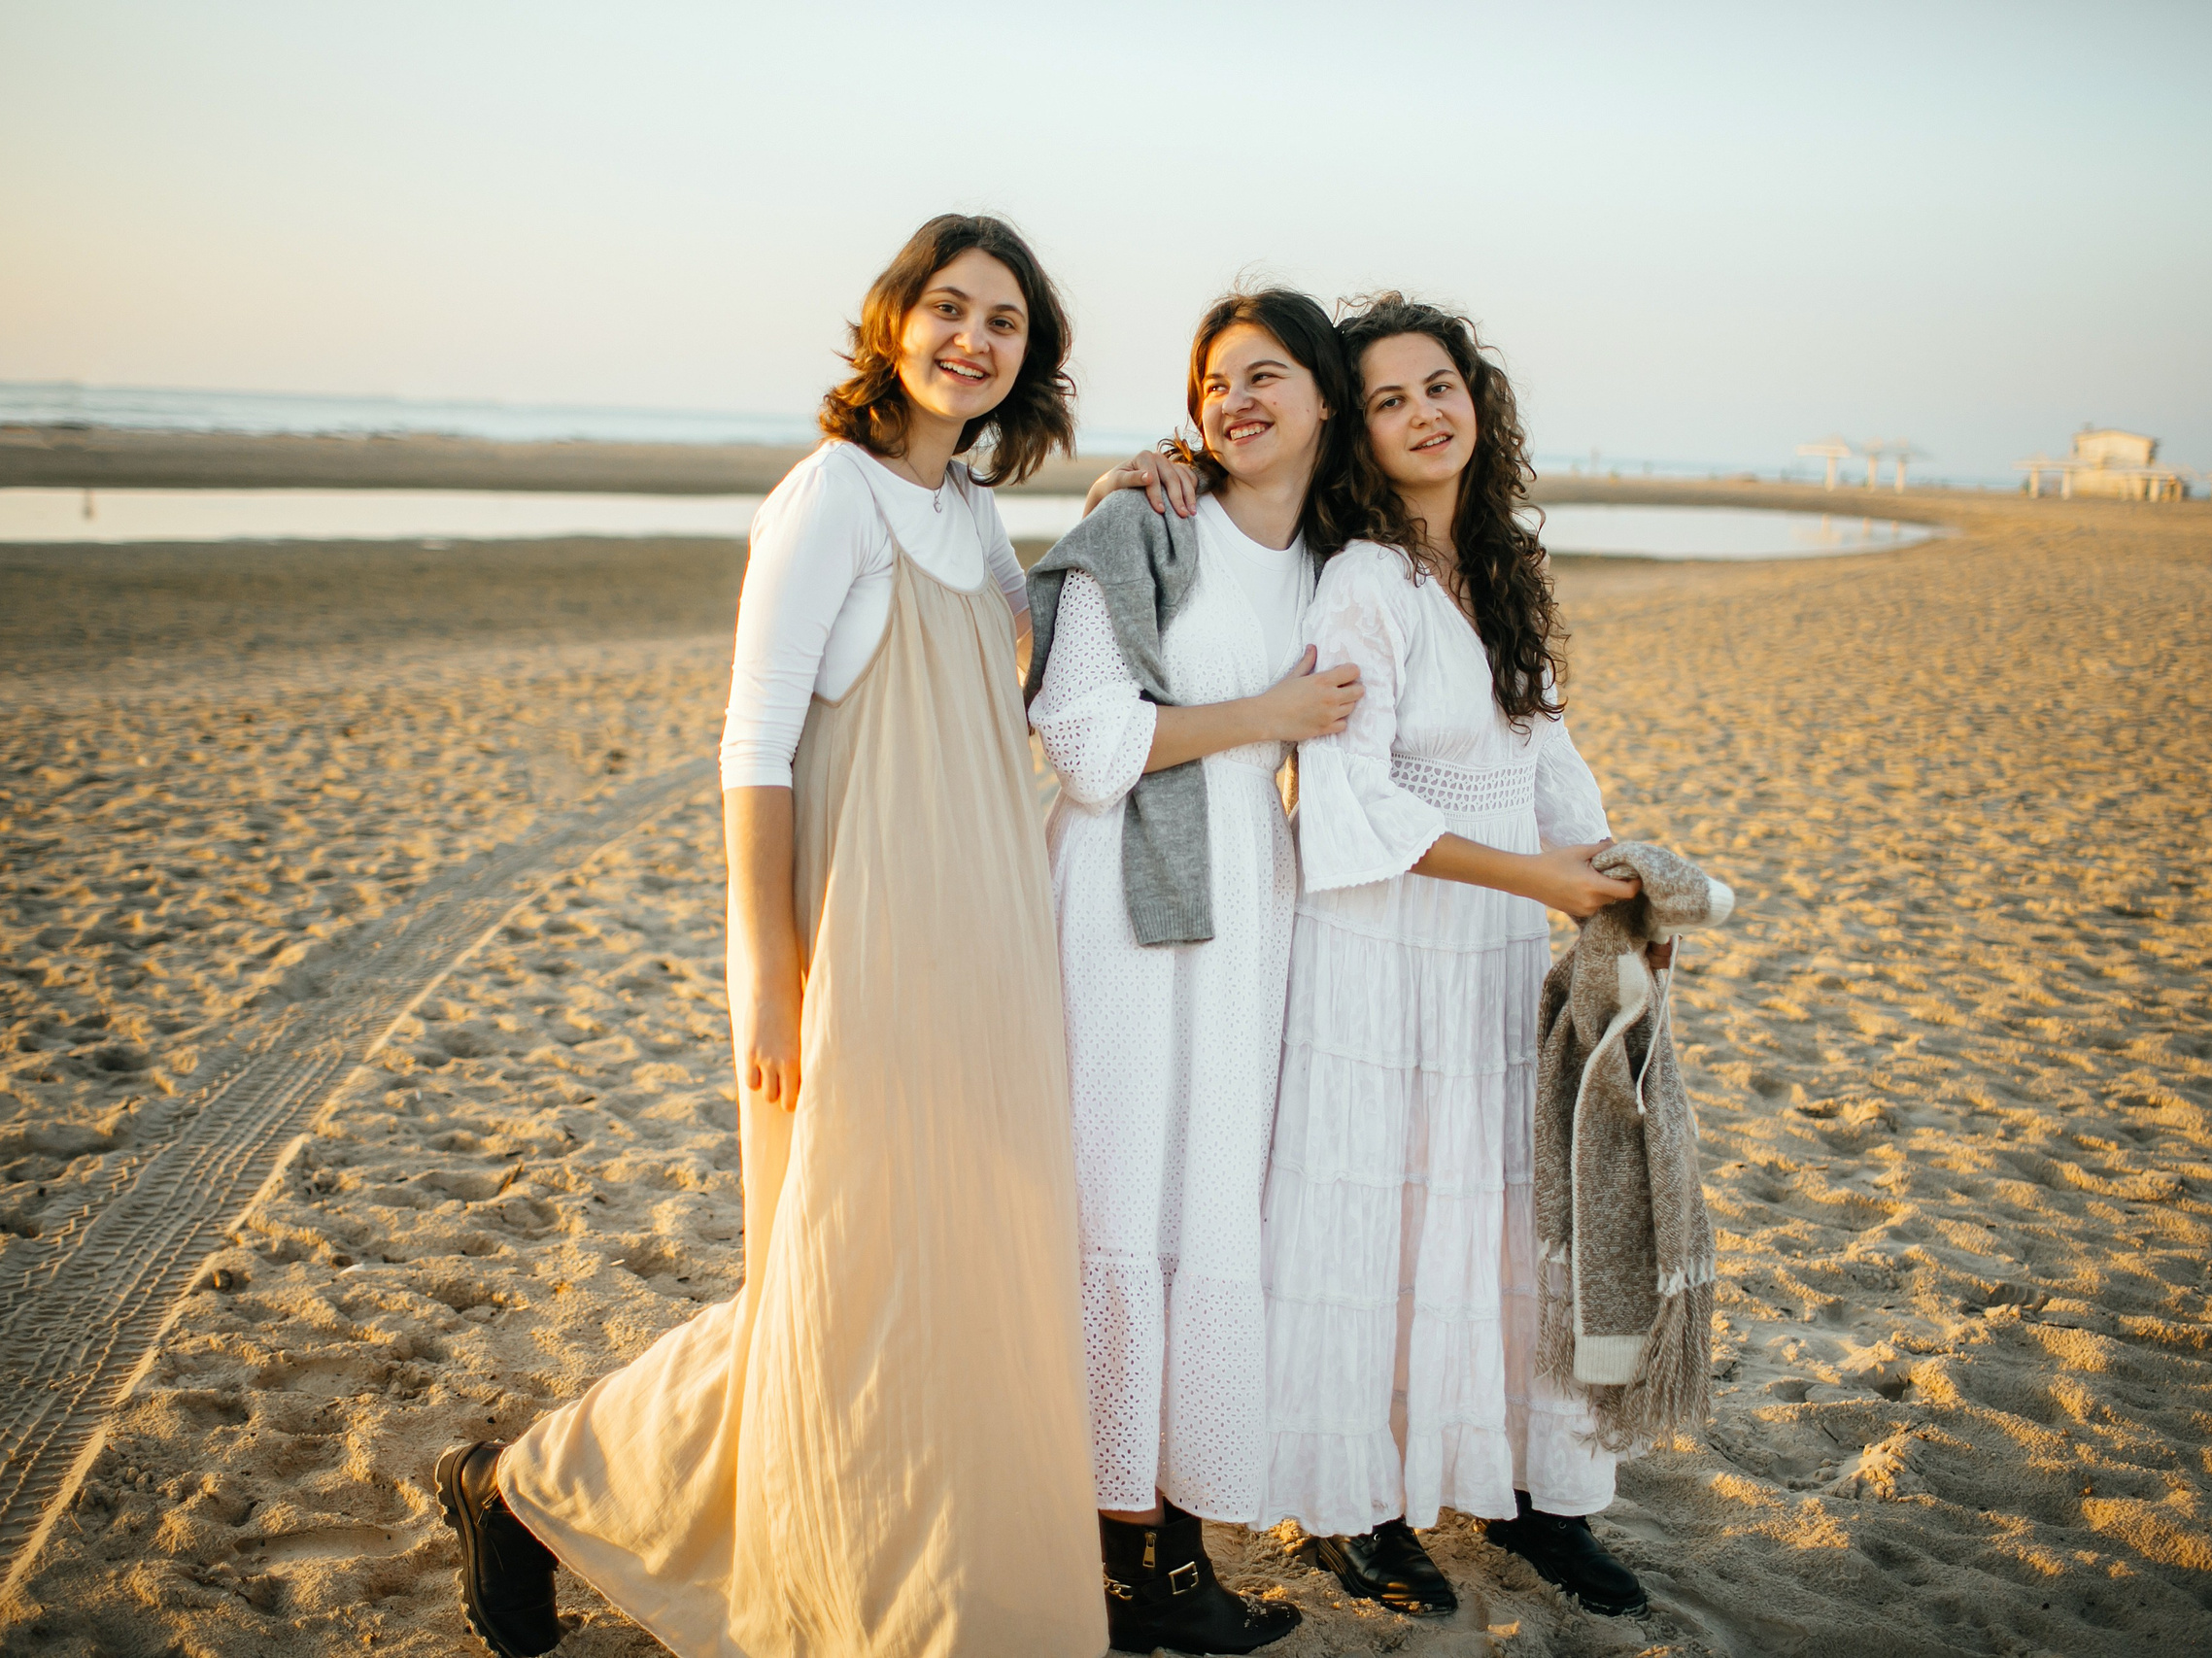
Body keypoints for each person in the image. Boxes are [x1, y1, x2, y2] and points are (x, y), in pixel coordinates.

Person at [434, 215, 1106, 1658]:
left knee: (952, 1272)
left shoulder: (974, 517)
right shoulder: (831, 499)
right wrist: (771, 974)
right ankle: (525, 1483)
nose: (973, 339)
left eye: (1004, 323)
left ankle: (941, 1589)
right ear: (891, 321)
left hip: (987, 949)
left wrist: (1126, 505)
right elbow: (752, 746)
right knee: (845, 1281)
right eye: (948, 307)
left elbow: (1026, 700)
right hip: (863, 952)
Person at [1259, 294, 1663, 1619]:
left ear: (1476, 400)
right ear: (1356, 435)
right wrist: (1536, 878)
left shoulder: (1496, 568)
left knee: (1511, 1215)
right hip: (1383, 948)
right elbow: (1351, 799)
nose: (1427, 413)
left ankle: (1543, 1500)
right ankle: (1349, 1511)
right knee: (1376, 1216)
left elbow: (1540, 751)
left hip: (1496, 949)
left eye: (1442, 385)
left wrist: (1605, 875)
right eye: (1388, 399)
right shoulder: (1362, 583)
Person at [1027, 290, 1359, 1654]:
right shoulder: (1144, 526)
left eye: (1267, 375)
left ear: (1325, 403)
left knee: (1211, 1193)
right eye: (1215, 379)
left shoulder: (1340, 562)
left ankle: (1174, 1544)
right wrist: (1263, 719)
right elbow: (1090, 744)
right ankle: (1120, 1560)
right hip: (1121, 897)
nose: (1235, 401)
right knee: (1120, 1189)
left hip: (1252, 903)